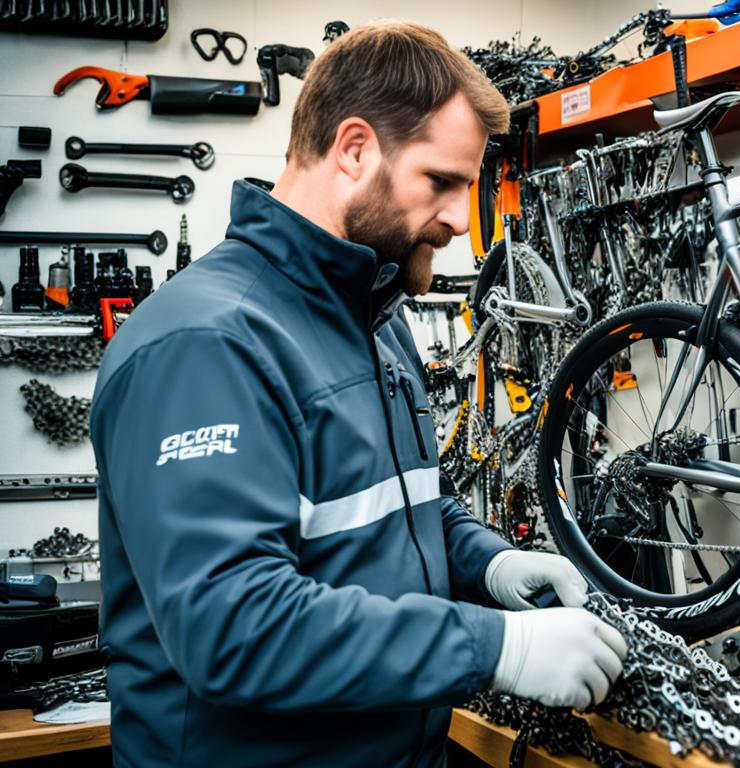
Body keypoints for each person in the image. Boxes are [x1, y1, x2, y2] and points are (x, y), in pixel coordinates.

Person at [89, 21, 627, 767]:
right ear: (353, 150)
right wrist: (494, 646)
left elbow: (400, 510)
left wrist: (488, 565)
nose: (456, 221)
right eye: (441, 182)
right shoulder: (206, 344)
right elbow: (234, 627)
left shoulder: (377, 321)